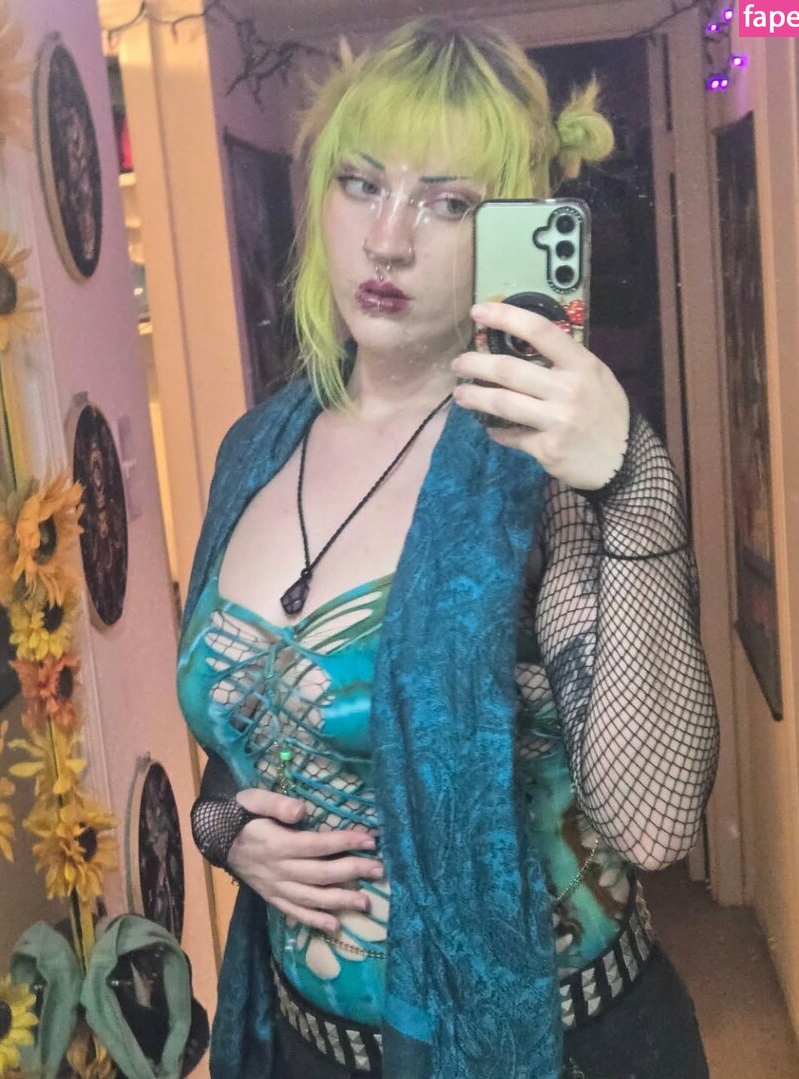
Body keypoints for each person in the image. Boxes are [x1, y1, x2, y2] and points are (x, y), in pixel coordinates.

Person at [176, 18, 719, 1079]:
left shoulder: (538, 467)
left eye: (448, 202)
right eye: (361, 184)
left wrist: (629, 477)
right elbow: (242, 735)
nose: (388, 241)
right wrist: (225, 830)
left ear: (513, 225)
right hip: (305, 1046)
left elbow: (653, 822)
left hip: (552, 1049)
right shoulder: (257, 447)